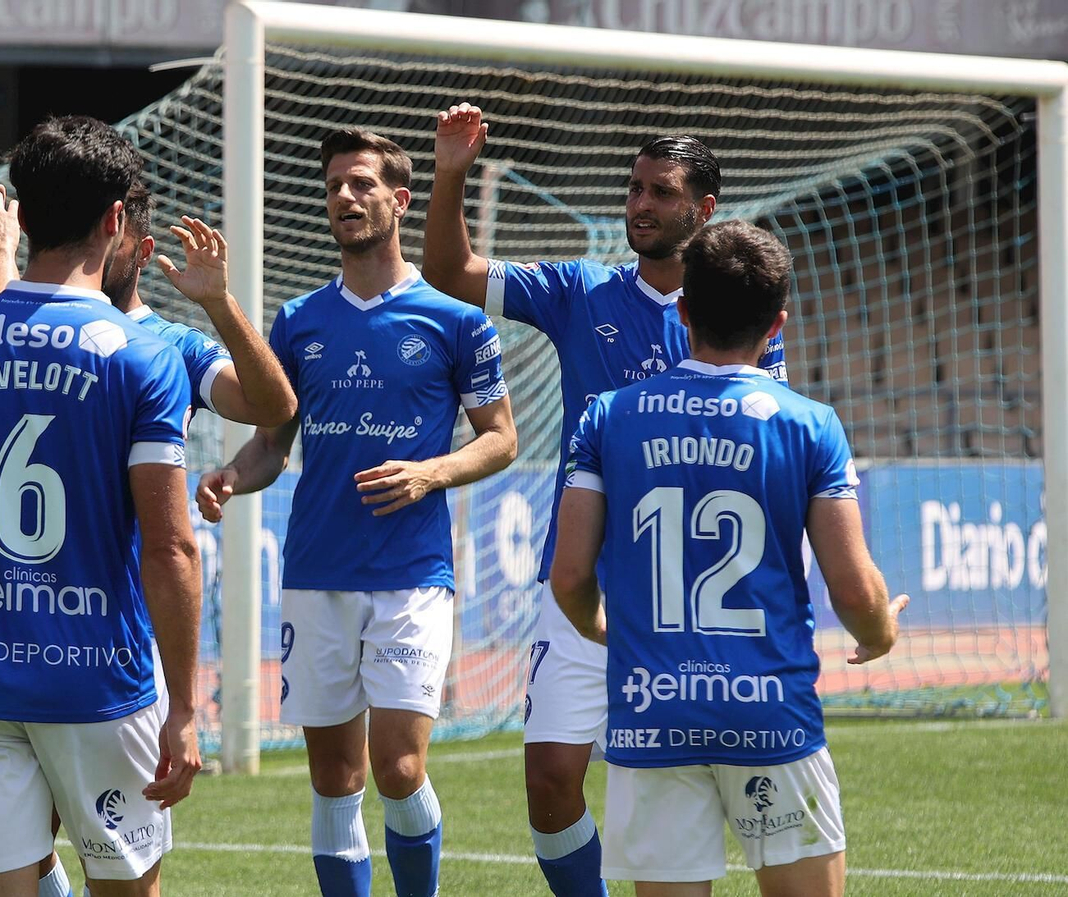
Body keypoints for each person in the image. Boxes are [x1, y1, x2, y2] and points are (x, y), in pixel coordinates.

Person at [424, 104, 788, 897]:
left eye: (660, 191)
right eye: (633, 188)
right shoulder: (580, 290)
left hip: (692, 595)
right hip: (583, 584)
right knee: (552, 781)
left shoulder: (741, 317)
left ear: (705, 209)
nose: (640, 204)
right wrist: (451, 171)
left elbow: (767, 448)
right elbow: (451, 274)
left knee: (702, 791)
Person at [0, 115, 204, 897]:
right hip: (97, 680)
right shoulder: (144, 356)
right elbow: (170, 550)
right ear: (115, 219)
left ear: (20, 215)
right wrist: (187, 707)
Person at [196, 128, 517, 897]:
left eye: (362, 183)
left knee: (400, 768)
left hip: (411, 572)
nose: (345, 195)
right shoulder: (300, 320)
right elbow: (273, 441)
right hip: (316, 571)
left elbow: (502, 439)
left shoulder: (456, 321)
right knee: (334, 778)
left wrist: (431, 472)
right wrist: (233, 477)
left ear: (400, 200)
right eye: (335, 183)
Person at [550, 219, 908, 896]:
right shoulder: (810, 424)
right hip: (769, 712)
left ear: (683, 310)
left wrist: (602, 626)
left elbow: (569, 574)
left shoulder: (608, 415)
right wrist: (880, 632)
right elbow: (855, 593)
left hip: (654, 713)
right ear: (777, 325)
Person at [29, 183, 298, 897]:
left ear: (138, 248)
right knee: (22, 839)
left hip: (117, 636)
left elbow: (272, 406)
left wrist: (218, 301)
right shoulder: (27, 327)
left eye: (106, 231)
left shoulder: (169, 346)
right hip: (20, 617)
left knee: (113, 860)